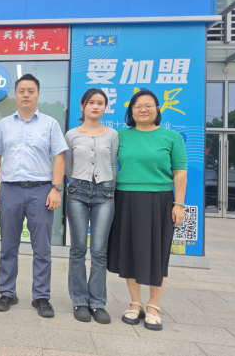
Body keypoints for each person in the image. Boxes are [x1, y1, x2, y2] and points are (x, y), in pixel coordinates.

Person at [107, 88, 187, 331]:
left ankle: (153, 305)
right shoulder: (120, 136)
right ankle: (135, 303)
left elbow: (180, 172)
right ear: (131, 111)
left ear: (157, 109)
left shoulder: (172, 137)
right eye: (138, 106)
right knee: (130, 250)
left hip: (160, 200)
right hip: (125, 198)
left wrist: (179, 204)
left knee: (157, 252)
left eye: (148, 105)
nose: (143, 109)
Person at [0, 74, 67, 318]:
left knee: (42, 248)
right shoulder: (4, 125)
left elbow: (59, 157)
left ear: (38, 95)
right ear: (15, 95)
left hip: (41, 190)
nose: (26, 94)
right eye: (21, 90)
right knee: (8, 246)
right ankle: (7, 293)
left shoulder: (50, 124)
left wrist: (56, 188)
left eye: (30, 91)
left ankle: (41, 297)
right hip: (10, 189)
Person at [64, 88, 118, 324]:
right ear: (82, 106)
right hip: (77, 191)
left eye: (100, 103)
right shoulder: (71, 134)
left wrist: (109, 185)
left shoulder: (112, 134)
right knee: (78, 249)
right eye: (91, 102)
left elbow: (113, 165)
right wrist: (77, 181)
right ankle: (79, 301)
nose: (96, 106)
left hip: (104, 192)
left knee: (98, 251)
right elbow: (68, 166)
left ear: (105, 107)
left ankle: (97, 303)